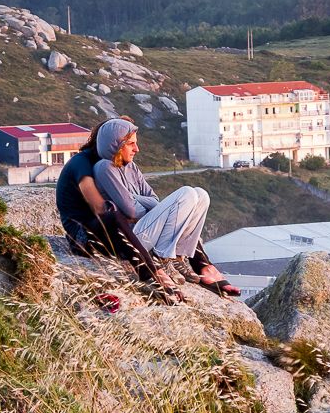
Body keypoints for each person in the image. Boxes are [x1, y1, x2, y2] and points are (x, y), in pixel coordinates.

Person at [91, 118, 240, 297]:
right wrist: (141, 203)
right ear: (116, 145)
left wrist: (135, 198)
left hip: (147, 228)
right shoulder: (104, 168)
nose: (136, 149)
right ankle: (162, 257)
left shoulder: (132, 167)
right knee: (186, 193)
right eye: (131, 144)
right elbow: (133, 212)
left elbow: (154, 200)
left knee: (201, 195)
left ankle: (178, 256)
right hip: (134, 236)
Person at [55, 117, 181, 301]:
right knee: (113, 213)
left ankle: (201, 266)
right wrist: (132, 208)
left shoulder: (116, 165)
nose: (134, 148)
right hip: (83, 236)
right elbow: (100, 208)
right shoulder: (82, 163)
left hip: (110, 233)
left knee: (173, 210)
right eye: (128, 142)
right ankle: (152, 273)